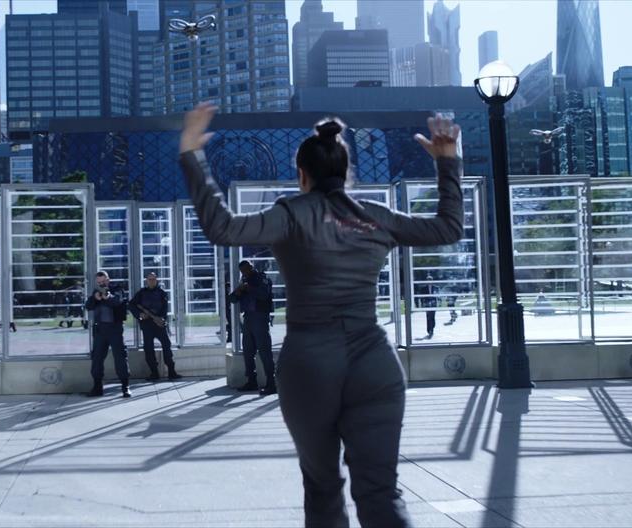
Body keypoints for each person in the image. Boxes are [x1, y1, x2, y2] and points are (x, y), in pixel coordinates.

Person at [178, 102, 463, 528]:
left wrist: (192, 155)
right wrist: (448, 163)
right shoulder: (376, 217)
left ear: (302, 175)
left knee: (323, 487)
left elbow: (223, 227)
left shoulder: (290, 215)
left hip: (311, 363)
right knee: (381, 491)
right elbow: (448, 228)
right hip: (375, 363)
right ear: (347, 173)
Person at [227, 260, 275, 395]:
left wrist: (249, 288)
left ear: (251, 267)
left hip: (260, 317)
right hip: (248, 318)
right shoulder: (245, 281)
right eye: (242, 271)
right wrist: (238, 290)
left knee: (265, 351)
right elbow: (232, 299)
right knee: (248, 351)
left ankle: (272, 383)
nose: (244, 273)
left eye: (246, 270)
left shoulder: (262, 278)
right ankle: (251, 380)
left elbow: (264, 295)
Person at [84, 271, 131, 398]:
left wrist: (107, 297)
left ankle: (125, 386)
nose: (101, 284)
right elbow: (88, 306)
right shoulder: (96, 292)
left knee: (120, 357)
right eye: (99, 282)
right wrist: (95, 298)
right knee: (97, 359)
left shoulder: (117, 290)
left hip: (115, 329)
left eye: (103, 281)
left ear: (108, 280)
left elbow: (117, 302)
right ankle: (97, 387)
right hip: (100, 330)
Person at [130, 272, 182, 381]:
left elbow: (164, 309)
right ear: (146, 280)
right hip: (147, 325)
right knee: (148, 349)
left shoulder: (161, 293)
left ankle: (172, 372)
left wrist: (161, 319)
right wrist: (140, 315)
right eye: (150, 279)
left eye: (153, 279)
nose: (152, 281)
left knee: (167, 346)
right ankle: (154, 373)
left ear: (156, 280)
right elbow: (131, 305)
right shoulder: (141, 293)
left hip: (159, 325)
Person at [421, 273, 438, 339]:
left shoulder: (436, 288)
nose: (429, 281)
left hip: (433, 304)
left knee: (432, 317)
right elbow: (422, 297)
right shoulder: (423, 289)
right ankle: (429, 330)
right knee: (428, 317)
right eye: (428, 280)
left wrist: (438, 302)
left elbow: (438, 296)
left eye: (430, 280)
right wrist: (423, 304)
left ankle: (432, 327)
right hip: (427, 305)